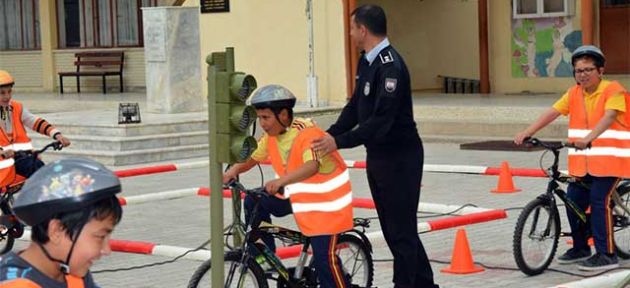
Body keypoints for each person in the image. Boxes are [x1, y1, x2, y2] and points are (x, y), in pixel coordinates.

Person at [311, 5, 439, 288]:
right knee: (397, 229)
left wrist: (339, 142)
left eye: (352, 27)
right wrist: (330, 135)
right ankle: (425, 284)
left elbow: (382, 120)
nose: (350, 33)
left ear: (363, 30)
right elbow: (356, 106)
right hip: (379, 158)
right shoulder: (367, 62)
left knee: (400, 231)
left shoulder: (390, 65)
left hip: (400, 159)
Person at [223, 85, 353, 288]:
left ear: (283, 115)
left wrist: (280, 182)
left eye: (266, 118)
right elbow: (254, 157)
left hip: (327, 206)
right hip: (297, 199)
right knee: (253, 201)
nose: (262, 124)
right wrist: (231, 172)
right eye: (259, 118)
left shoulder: (307, 133)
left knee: (323, 260)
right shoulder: (272, 137)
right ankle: (265, 260)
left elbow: (312, 166)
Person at [514, 45, 627, 271]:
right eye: (578, 71)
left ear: (600, 71)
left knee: (598, 201)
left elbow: (609, 116)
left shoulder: (613, 90)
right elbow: (553, 112)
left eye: (588, 70)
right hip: (582, 164)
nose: (582, 75)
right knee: (573, 200)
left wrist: (589, 137)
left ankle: (607, 254)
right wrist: (529, 131)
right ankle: (580, 247)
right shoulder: (574, 93)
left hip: (611, 162)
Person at [0, 157, 124, 287]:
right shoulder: (15, 284)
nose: (107, 250)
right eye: (100, 237)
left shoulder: (72, 273)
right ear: (57, 231)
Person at [0, 70, 71, 187]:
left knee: (41, 171)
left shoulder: (16, 108)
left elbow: (35, 122)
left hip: (20, 159)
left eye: (9, 92)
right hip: (4, 166)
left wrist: (57, 135)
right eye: (2, 93)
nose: (7, 96)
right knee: (40, 174)